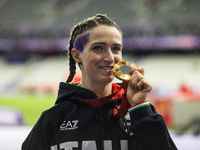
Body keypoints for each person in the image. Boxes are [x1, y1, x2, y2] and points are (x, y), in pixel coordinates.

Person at [22, 14, 177, 150]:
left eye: (116, 49)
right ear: (77, 56)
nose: (110, 58)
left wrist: (139, 108)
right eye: (98, 48)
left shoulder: (139, 112)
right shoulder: (53, 118)